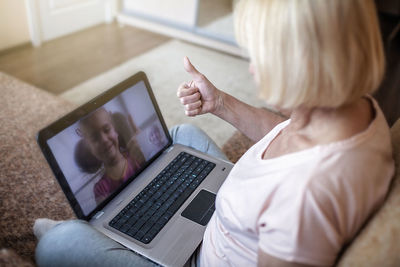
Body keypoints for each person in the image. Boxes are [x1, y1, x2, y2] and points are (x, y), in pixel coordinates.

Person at [34, 0, 394, 266]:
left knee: (58, 243)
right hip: (233, 219)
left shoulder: (308, 197)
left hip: (207, 257)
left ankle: (111, 235)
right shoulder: (356, 107)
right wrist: (219, 103)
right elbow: (286, 136)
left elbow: (297, 183)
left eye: (260, 56)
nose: (252, 69)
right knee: (180, 133)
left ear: (303, 63)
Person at [77, 107, 142, 204]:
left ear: (115, 130)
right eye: (94, 138)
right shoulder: (100, 189)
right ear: (91, 149)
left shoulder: (137, 157)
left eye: (107, 130)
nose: (104, 140)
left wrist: (146, 146)